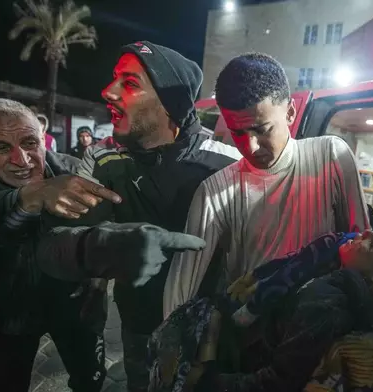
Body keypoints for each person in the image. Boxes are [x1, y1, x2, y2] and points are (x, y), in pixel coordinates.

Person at [31, 41, 241, 392]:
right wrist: (93, 247)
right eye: (115, 80)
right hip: (137, 324)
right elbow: (61, 242)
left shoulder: (227, 162)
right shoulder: (102, 158)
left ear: (169, 104)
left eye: (129, 84)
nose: (107, 92)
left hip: (208, 329)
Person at [163, 52, 369, 315]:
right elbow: (181, 287)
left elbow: (365, 253)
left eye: (261, 129)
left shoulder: (332, 156)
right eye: (238, 132)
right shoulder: (215, 191)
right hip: (249, 341)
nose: (249, 146)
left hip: (323, 334)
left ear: (291, 112)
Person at [150, 230, 373, 392]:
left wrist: (210, 382)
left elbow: (281, 381)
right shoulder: (338, 279)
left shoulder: (324, 305)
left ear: (370, 282)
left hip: (240, 362)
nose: (366, 231)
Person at [0, 98, 107, 392]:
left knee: (90, 379)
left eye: (29, 143)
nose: (22, 159)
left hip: (77, 305)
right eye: (1, 147)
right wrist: (26, 200)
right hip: (7, 312)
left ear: (43, 137)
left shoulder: (77, 171)